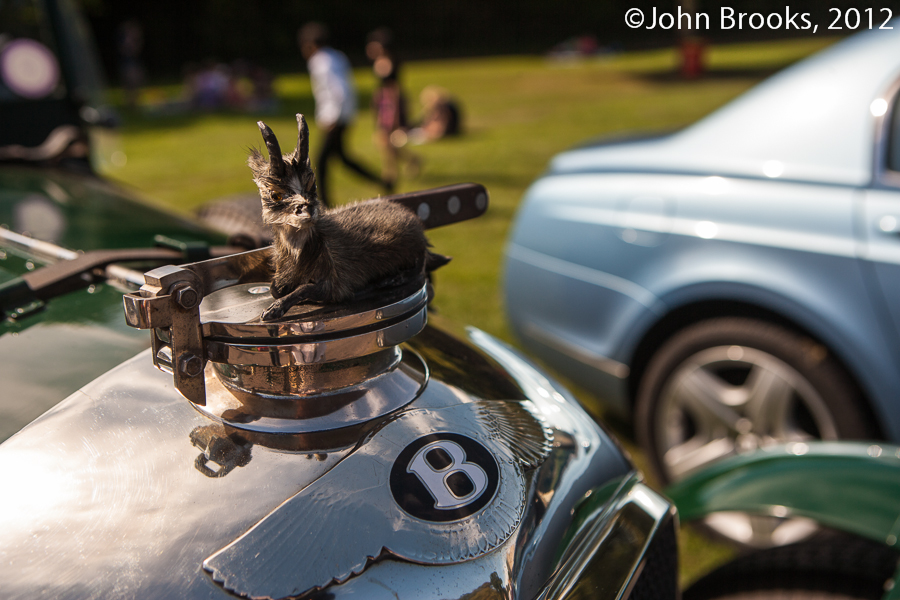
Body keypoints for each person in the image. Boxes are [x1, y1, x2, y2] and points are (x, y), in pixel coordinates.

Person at [298, 23, 388, 207]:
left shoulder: (320, 61)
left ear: (310, 44)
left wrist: (332, 117)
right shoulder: (336, 56)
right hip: (345, 114)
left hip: (336, 117)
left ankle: (323, 203)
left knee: (321, 161)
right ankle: (383, 182)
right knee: (342, 157)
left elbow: (339, 89)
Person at [366, 28, 421, 189]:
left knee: (386, 139)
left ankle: (390, 173)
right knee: (385, 140)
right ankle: (410, 161)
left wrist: (394, 113)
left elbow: (394, 89)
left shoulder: (390, 62)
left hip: (391, 103)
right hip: (383, 102)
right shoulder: (380, 61)